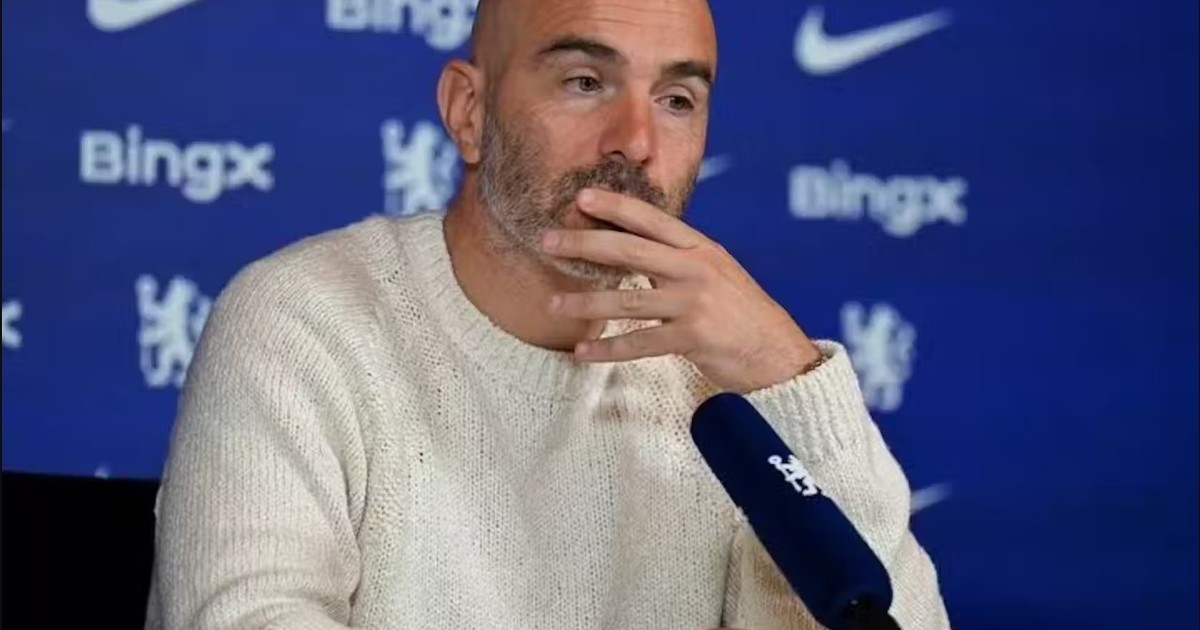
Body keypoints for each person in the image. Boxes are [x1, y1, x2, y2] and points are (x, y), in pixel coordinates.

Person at [144, 0, 951, 628]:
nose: (635, 141)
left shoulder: (730, 373)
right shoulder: (302, 322)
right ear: (469, 112)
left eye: (676, 99)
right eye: (585, 82)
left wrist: (789, 377)